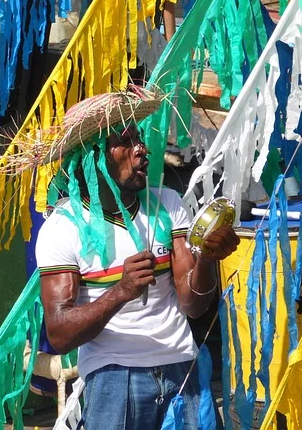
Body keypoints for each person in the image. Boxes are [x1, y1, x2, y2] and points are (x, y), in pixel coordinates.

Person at [33, 86, 239, 430]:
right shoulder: (62, 228)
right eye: (125, 141)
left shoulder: (167, 205)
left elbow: (193, 305)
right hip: (114, 378)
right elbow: (59, 335)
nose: (141, 150)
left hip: (182, 367)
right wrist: (120, 292)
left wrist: (206, 259)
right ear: (93, 156)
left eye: (139, 139)